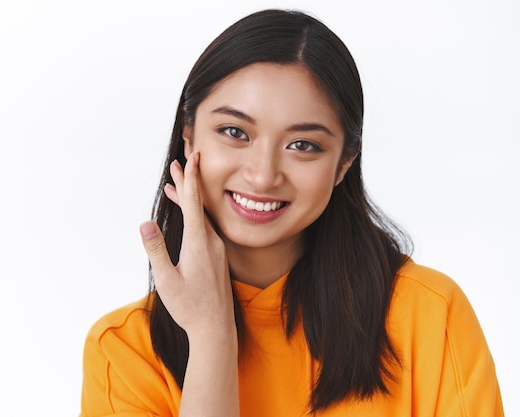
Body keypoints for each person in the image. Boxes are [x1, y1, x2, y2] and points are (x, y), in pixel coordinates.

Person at [79, 9, 504, 417]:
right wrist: (211, 338)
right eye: (234, 132)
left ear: (343, 164)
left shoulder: (428, 315)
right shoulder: (124, 351)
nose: (263, 176)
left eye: (303, 145)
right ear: (188, 136)